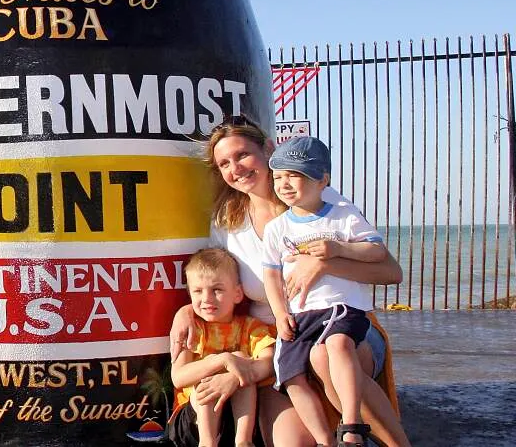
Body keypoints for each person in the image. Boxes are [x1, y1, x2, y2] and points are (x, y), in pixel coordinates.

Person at [169, 117, 410, 447]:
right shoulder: (227, 221)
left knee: (325, 357)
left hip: (343, 323)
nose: (235, 168)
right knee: (290, 442)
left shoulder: (315, 199)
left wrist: (324, 264)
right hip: (277, 340)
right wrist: (187, 311)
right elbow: (216, 280)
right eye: (224, 163)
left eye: (242, 155)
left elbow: (390, 273)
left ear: (268, 148)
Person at [261, 136, 388, 447]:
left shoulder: (342, 215)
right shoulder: (277, 228)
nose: (285, 184)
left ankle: (352, 424)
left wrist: (338, 248)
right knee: (289, 377)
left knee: (338, 344)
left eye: (295, 175)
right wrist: (279, 314)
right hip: (300, 314)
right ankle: (324, 440)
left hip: (340, 307)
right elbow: (271, 276)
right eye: (278, 176)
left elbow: (377, 253)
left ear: (323, 181)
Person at [168, 248, 276, 447]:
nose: (207, 298)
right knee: (218, 371)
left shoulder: (251, 327)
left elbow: (269, 363)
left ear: (237, 294)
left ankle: (244, 441)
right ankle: (207, 443)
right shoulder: (192, 329)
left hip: (235, 419)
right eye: (198, 291)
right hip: (192, 420)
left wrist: (235, 373)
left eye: (216, 290)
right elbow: (178, 377)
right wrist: (221, 360)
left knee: (243, 365)